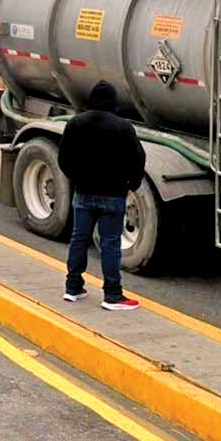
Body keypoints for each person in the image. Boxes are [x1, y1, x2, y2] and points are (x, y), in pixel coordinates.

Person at [59, 81, 145, 311]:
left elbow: (64, 158)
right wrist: (131, 185)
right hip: (112, 195)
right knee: (110, 244)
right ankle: (112, 295)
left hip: (83, 193)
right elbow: (137, 159)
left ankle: (73, 287)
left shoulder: (76, 123)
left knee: (79, 239)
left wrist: (76, 179)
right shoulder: (123, 127)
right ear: (113, 101)